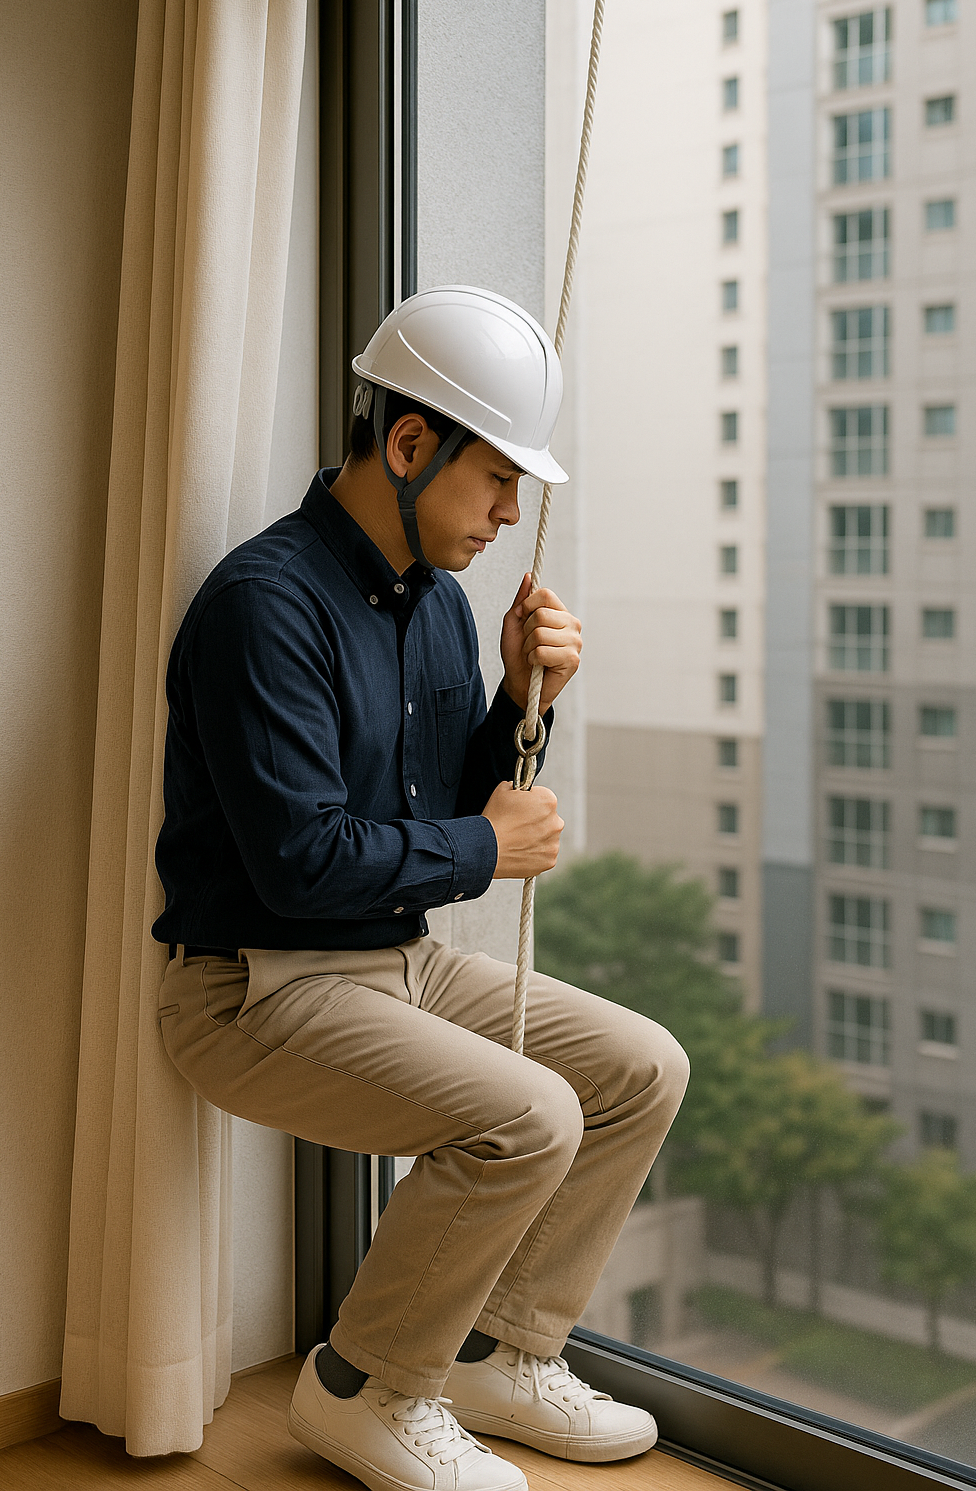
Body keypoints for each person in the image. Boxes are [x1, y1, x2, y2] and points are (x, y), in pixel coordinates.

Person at [154, 286, 689, 1491]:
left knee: (640, 1068)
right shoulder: (264, 607)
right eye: (496, 481)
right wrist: (488, 848)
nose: (509, 513)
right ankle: (364, 1386)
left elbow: (443, 809)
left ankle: (503, 1352)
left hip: (395, 963)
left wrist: (516, 697)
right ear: (409, 446)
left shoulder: (440, 607)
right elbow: (302, 867)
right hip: (255, 988)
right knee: (529, 1115)